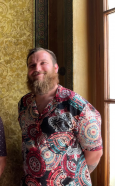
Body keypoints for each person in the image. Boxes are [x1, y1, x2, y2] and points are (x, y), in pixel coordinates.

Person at [17, 47, 103, 186]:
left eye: (43, 63)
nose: (37, 68)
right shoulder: (24, 104)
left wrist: (71, 177)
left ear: (55, 68)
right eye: (32, 65)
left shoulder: (76, 104)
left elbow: (94, 153)